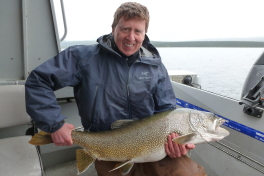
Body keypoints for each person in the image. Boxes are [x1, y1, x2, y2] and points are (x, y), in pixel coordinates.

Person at [25, 2, 207, 176]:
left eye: (138, 31)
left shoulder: (155, 66)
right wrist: (55, 125)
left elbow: (166, 111)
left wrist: (176, 141)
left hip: (153, 147)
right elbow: (38, 81)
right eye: (125, 29)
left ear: (144, 34)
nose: (131, 37)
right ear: (113, 29)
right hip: (107, 147)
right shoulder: (82, 57)